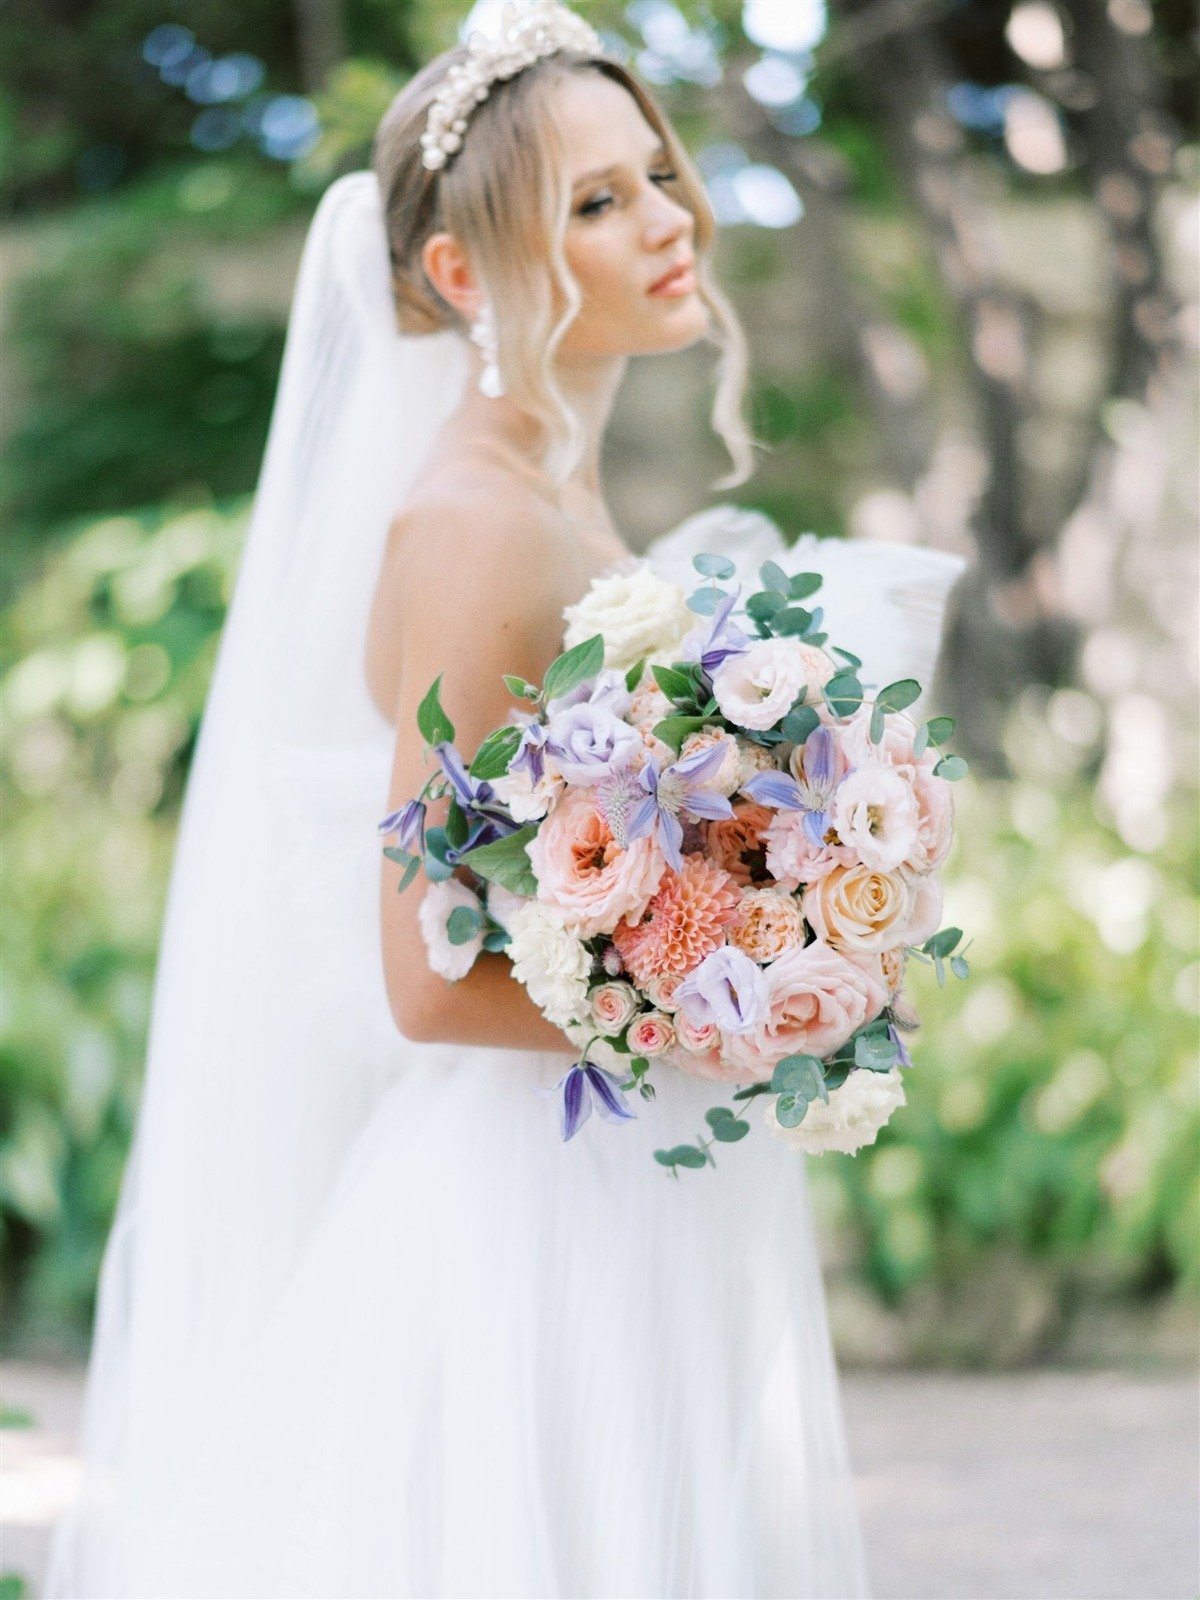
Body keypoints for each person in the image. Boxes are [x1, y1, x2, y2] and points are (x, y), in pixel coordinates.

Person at [46, 3, 966, 1595]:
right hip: (530, 1219)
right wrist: (752, 988)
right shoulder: (480, 527)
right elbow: (430, 976)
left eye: (659, 173)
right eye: (596, 204)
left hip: (616, 1180)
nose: (671, 221)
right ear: (462, 276)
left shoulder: (558, 494)